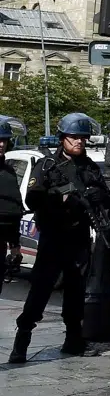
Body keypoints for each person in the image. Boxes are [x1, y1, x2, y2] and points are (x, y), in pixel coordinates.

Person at [9, 113, 110, 363]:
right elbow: (33, 199)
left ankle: (73, 340)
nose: (79, 142)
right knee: (41, 290)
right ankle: (21, 343)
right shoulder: (47, 166)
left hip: (79, 237)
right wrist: (63, 196)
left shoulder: (90, 168)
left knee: (76, 292)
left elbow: (105, 197)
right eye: (74, 138)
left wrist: (98, 198)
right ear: (62, 138)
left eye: (83, 138)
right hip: (54, 236)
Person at [0, 117, 26, 296]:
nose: (1, 144)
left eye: (4, 140)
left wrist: (15, 245)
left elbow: (14, 208)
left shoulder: (9, 171)